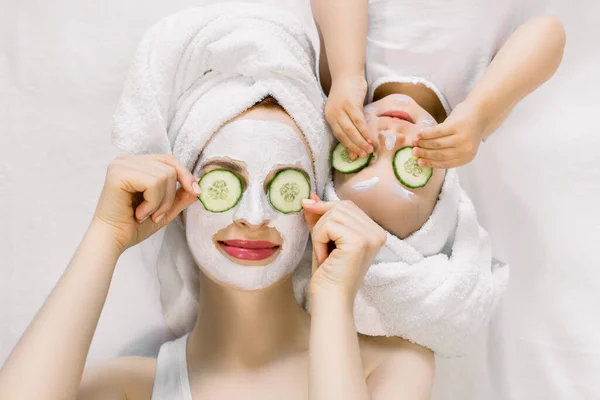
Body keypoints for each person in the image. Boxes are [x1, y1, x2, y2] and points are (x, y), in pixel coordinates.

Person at [0, 4, 436, 399]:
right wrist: (106, 235)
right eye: (223, 182)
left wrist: (334, 301)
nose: (252, 217)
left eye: (283, 187)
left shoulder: (394, 364)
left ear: (318, 201)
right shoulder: (132, 387)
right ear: (182, 195)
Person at [313, 0, 566, 169]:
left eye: (366, 157)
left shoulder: (342, 83)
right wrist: (478, 114)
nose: (392, 138)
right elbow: (548, 32)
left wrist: (346, 73)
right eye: (407, 165)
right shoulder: (470, 111)